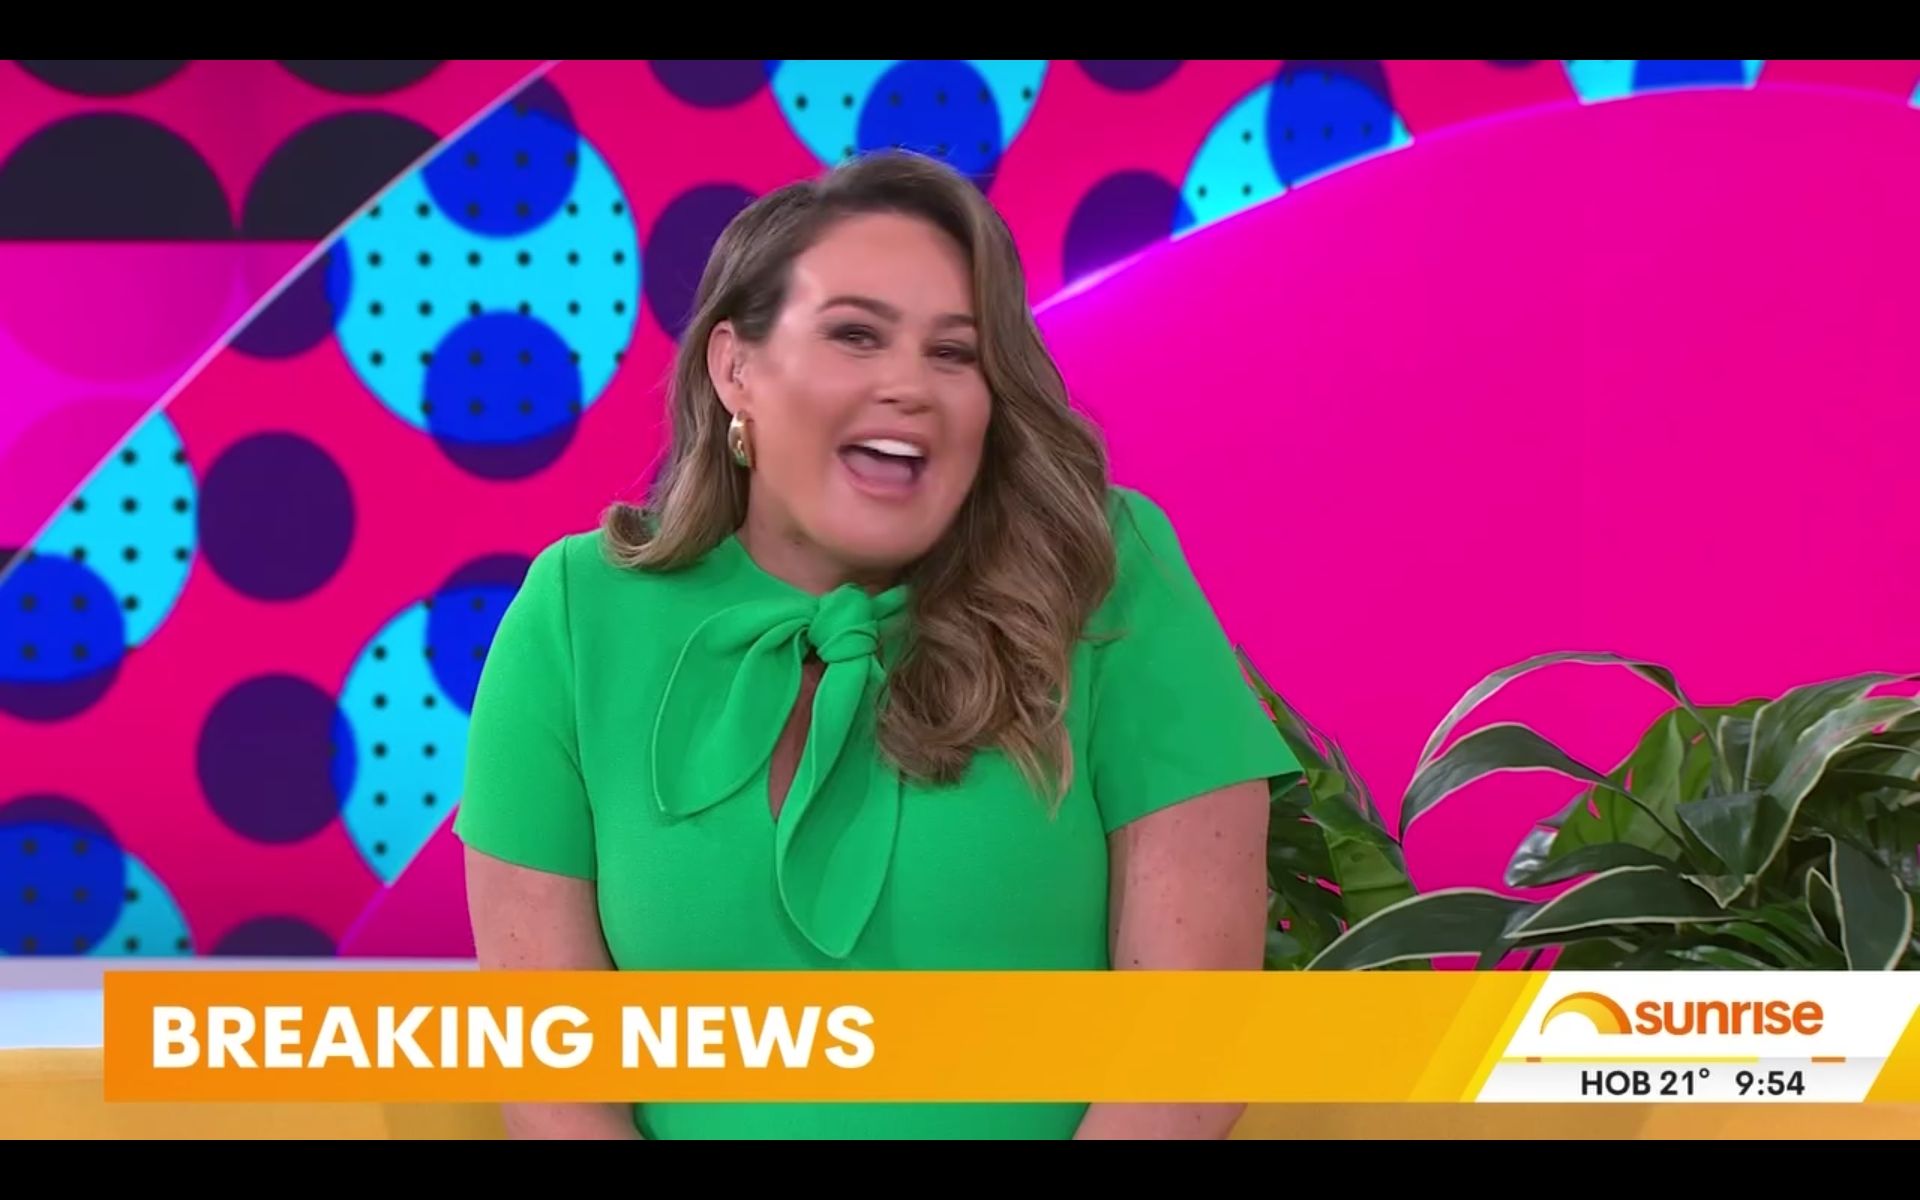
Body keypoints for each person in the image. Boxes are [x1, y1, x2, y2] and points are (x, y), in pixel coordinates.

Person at [455, 149, 1300, 1140]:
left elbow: (1190, 1046)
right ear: (735, 369)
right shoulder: (576, 612)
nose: (909, 386)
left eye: (954, 353)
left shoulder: (1102, 570)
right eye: (855, 335)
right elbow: (555, 1082)